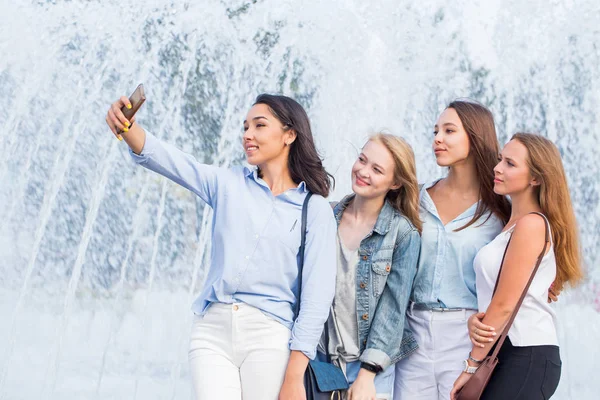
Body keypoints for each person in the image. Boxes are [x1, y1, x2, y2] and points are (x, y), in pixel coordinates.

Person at [105, 93, 338, 400]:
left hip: (269, 334)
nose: (247, 135)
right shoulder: (228, 183)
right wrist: (126, 127)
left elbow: (316, 298)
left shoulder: (315, 208)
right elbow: (173, 162)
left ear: (289, 135)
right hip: (211, 331)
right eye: (245, 127)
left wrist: (295, 374)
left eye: (259, 125)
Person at [393, 100, 511, 400]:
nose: (437, 139)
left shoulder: (499, 211)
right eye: (435, 131)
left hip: (467, 335)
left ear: (475, 136)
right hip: (412, 333)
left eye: (449, 131)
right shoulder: (414, 199)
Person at [451, 133, 583, 400]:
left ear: (535, 178)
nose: (497, 168)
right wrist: (476, 321)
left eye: (510, 163)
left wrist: (471, 365)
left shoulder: (531, 225)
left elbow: (504, 305)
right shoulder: (511, 226)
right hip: (510, 352)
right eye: (500, 160)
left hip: (527, 354)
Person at [320, 133, 421, 400]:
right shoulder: (325, 217)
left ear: (396, 182)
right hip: (320, 364)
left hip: (370, 369)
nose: (363, 171)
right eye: (362, 160)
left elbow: (393, 308)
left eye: (377, 169)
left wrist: (367, 374)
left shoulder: (403, 233)